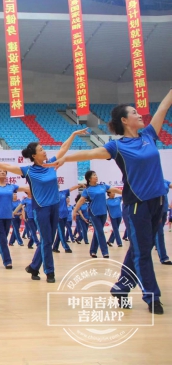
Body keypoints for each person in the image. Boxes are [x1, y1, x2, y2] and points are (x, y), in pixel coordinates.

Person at [47, 90, 172, 314]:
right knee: (142, 252)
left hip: (158, 202)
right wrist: (63, 158)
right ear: (124, 120)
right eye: (134, 112)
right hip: (137, 205)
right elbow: (91, 154)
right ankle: (152, 297)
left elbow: (163, 107)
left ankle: (120, 287)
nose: (140, 114)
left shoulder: (149, 135)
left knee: (142, 247)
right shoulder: (118, 147)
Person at [0, 128, 87, 282]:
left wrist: (73, 134)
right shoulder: (28, 171)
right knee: (47, 240)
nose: (44, 152)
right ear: (33, 155)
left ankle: (33, 266)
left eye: (43, 149)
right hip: (41, 209)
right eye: (41, 150)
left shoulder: (51, 163)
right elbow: (9, 167)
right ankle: (50, 272)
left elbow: (63, 148)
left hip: (55, 206)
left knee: (48, 239)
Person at [72, 171, 122, 259]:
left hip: (103, 213)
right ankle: (105, 252)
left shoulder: (102, 186)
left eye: (96, 175)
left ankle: (93, 251)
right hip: (94, 214)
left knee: (98, 232)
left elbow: (113, 189)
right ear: (89, 179)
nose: (96, 177)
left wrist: (123, 193)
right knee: (100, 232)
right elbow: (80, 201)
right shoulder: (87, 190)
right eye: (94, 175)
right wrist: (74, 211)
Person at [52, 183, 84, 253]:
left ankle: (55, 247)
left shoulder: (63, 192)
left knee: (60, 232)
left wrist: (80, 185)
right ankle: (66, 247)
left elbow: (72, 188)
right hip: (58, 216)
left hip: (65, 215)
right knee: (61, 232)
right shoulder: (51, 195)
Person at [154, 180, 172, 265]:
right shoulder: (151, 179)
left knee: (155, 233)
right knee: (159, 233)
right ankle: (164, 258)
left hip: (164, 209)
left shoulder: (163, 180)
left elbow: (170, 185)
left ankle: (156, 246)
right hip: (156, 210)